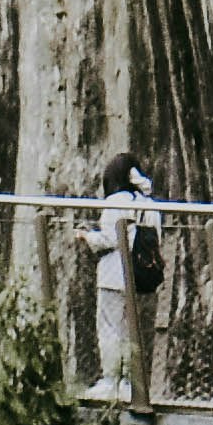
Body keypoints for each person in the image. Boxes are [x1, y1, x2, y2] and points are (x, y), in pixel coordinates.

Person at [90, 155, 168, 402]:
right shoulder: (151, 206)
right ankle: (126, 383)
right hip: (138, 276)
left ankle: (110, 381)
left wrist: (85, 237)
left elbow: (109, 239)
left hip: (114, 275)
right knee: (129, 329)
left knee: (110, 328)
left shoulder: (115, 202)